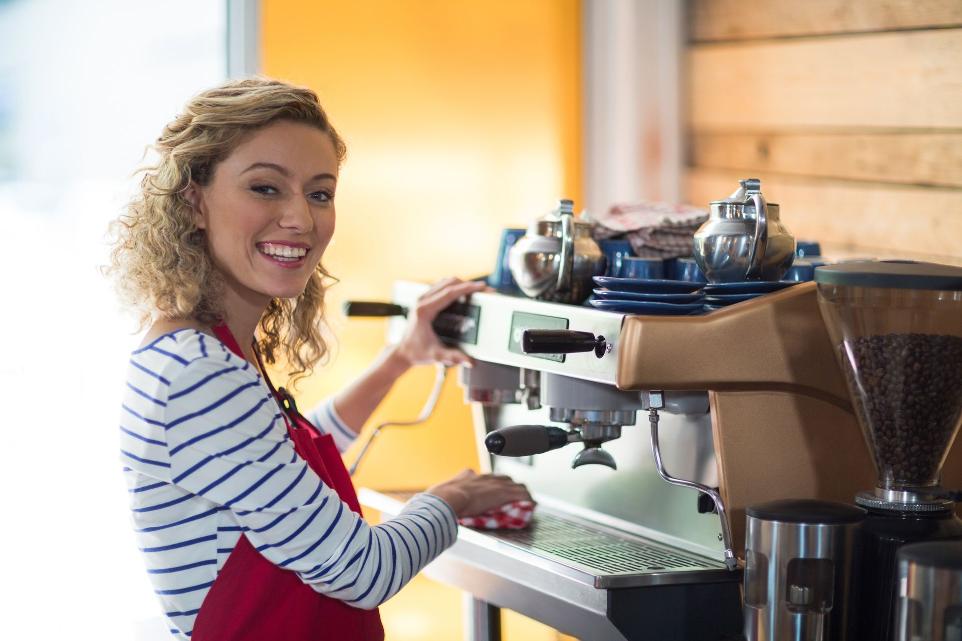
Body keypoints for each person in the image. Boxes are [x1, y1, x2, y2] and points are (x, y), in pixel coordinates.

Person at [107, 77, 531, 641]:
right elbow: (362, 569)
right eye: (265, 188)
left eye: (319, 193)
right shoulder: (198, 374)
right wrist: (449, 502)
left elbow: (284, 463)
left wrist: (402, 357)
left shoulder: (200, 350)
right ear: (194, 201)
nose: (301, 220)